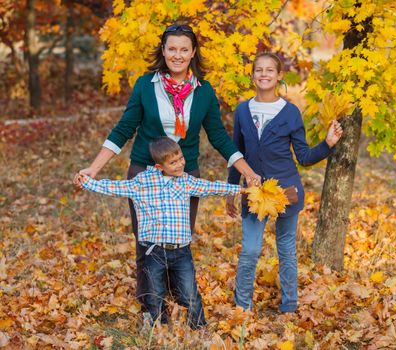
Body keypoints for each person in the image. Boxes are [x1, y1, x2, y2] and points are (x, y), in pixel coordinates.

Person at [74, 22, 260, 317]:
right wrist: (94, 169)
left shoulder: (204, 91)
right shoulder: (145, 86)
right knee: (146, 241)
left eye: (183, 49)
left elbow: (219, 137)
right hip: (145, 173)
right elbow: (123, 129)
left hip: (185, 176)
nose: (177, 55)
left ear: (193, 52)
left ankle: (178, 299)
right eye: (171, 48)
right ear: (163, 50)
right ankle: (150, 304)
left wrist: (247, 171)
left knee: (179, 241)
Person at [76, 137, 245, 328]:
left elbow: (211, 187)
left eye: (181, 158)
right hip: (154, 251)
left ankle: (198, 328)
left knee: (190, 294)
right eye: (173, 162)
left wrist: (240, 189)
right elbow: (113, 187)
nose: (180, 164)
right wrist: (88, 182)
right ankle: (158, 328)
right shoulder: (142, 183)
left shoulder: (186, 181)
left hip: (181, 252)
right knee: (154, 294)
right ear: (158, 166)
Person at [226, 52, 343, 313]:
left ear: (280, 76)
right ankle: (241, 306)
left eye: (270, 70)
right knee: (250, 250)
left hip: (286, 190)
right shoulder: (243, 110)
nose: (264, 74)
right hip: (254, 192)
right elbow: (236, 153)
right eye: (258, 70)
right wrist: (232, 190)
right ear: (253, 75)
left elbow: (303, 157)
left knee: (286, 249)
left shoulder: (290, 112)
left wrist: (327, 144)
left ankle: (290, 306)